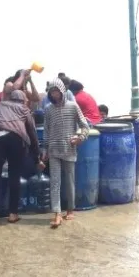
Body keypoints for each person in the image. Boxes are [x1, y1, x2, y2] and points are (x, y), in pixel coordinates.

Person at [0, 89, 43, 224]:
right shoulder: (25, 109)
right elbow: (32, 134)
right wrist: (37, 158)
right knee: (14, 176)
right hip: (16, 140)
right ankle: (13, 214)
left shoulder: (1, 105)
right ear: (23, 100)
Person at [43, 77, 90, 228]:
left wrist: (80, 138)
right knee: (55, 182)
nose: (54, 94)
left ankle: (70, 209)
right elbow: (46, 131)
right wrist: (45, 149)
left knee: (69, 181)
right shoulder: (48, 110)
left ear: (62, 91)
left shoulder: (73, 106)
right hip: (54, 150)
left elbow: (85, 125)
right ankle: (57, 213)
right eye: (52, 92)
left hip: (69, 149)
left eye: (57, 91)